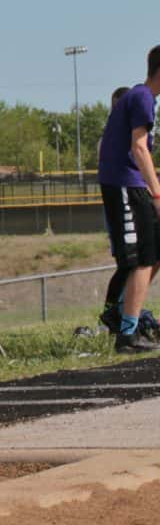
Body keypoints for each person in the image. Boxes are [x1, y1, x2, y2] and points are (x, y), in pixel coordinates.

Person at [96, 46, 160, 353]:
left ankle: (124, 313)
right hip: (124, 185)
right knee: (140, 260)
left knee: (154, 253)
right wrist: (156, 192)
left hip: (134, 185)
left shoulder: (144, 98)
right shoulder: (143, 98)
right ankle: (127, 331)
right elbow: (139, 148)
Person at [97, 85, 131, 334]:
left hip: (130, 202)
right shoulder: (111, 138)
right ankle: (113, 313)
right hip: (118, 204)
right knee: (127, 263)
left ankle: (123, 312)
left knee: (133, 264)